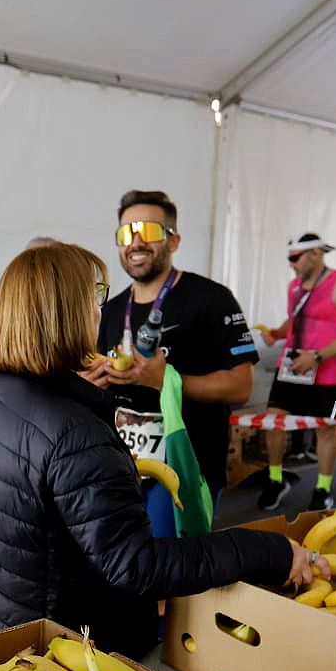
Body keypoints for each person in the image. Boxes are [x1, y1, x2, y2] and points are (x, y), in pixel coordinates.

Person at [0, 241, 326, 658]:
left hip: (6, 622)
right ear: (68, 313)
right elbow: (137, 566)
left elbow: (37, 508)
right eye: (94, 296)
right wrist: (271, 551)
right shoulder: (74, 434)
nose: (100, 310)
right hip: (79, 649)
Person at [85, 190, 258, 533]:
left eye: (148, 231)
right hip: (124, 466)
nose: (135, 242)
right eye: (125, 233)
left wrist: (167, 381)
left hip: (186, 465)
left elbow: (242, 385)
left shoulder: (211, 299)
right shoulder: (112, 309)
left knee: (174, 572)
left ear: (174, 241)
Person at [256, 233, 336, 512]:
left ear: (316, 254)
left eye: (295, 257)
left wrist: (317, 356)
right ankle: (276, 479)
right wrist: (278, 333)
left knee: (326, 429)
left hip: (326, 370)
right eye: (289, 258)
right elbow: (295, 321)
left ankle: (323, 487)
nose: (291, 264)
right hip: (292, 366)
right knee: (274, 422)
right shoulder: (294, 286)